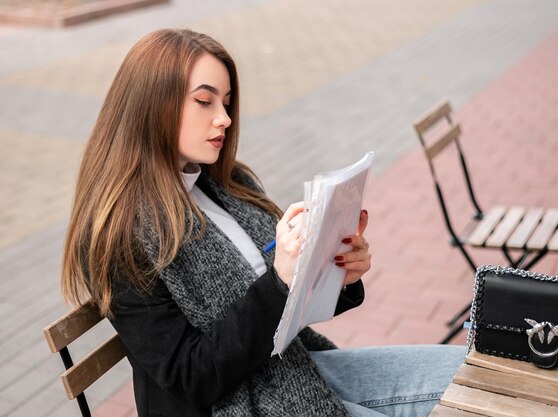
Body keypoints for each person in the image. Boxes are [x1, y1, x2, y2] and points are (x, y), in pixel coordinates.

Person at [61, 28, 464, 417]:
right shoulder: (119, 235)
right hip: (233, 404)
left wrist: (338, 272)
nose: (224, 119)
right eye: (205, 101)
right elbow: (191, 378)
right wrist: (280, 281)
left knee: (467, 370)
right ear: (151, 105)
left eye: (227, 102)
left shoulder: (227, 181)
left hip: (293, 370)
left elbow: (285, 309)